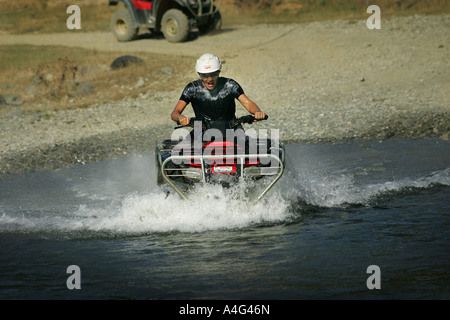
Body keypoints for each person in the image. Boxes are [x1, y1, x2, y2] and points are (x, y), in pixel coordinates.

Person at [171, 53, 266, 128]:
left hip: (231, 128)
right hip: (202, 129)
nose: (209, 79)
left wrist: (257, 112)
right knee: (182, 150)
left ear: (219, 72)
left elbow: (248, 104)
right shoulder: (192, 88)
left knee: (248, 149)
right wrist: (180, 117)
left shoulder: (230, 85)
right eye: (205, 75)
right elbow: (175, 113)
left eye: (214, 74)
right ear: (199, 74)